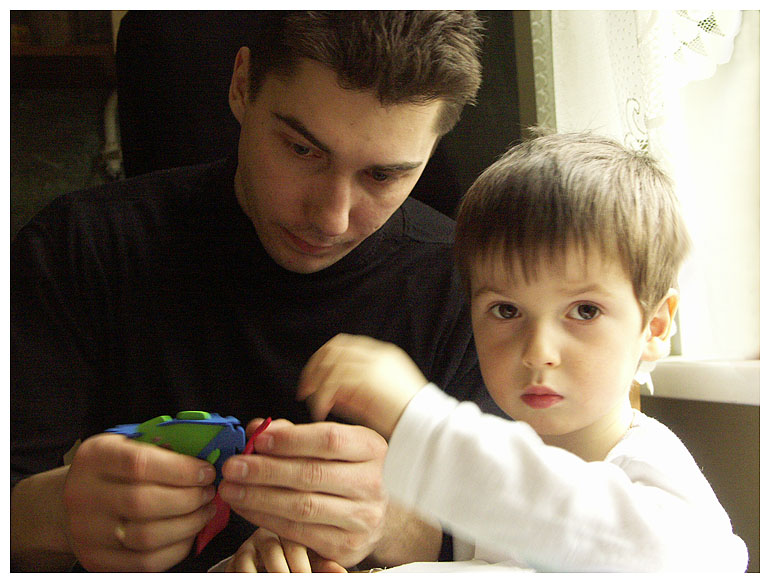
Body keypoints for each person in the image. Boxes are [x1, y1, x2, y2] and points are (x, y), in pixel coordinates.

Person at [10, 11, 502, 572]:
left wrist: (392, 526)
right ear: (242, 85)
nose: (331, 218)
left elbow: (528, 539)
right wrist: (56, 514)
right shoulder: (80, 246)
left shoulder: (474, 289)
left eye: (383, 176)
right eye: (301, 150)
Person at [277, 132, 748, 572]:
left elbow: (601, 534)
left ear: (656, 325)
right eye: (506, 311)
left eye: (584, 311)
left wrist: (419, 419)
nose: (538, 352)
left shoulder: (654, 478)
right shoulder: (492, 491)